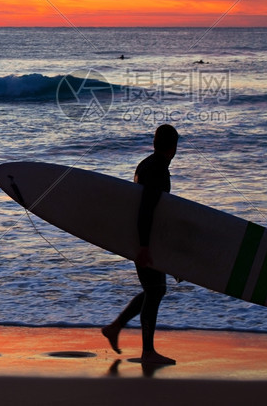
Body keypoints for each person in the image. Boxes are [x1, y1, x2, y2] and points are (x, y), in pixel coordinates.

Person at [102, 124, 179, 366]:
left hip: (144, 237)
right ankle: (147, 351)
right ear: (173, 148)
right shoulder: (157, 169)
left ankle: (115, 328)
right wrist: (144, 246)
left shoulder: (146, 164)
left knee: (154, 290)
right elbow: (146, 209)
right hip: (145, 239)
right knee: (155, 290)